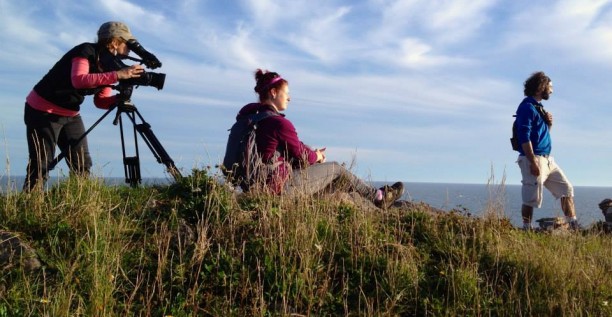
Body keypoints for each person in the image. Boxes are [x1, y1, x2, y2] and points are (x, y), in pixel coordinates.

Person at [231, 69, 404, 208]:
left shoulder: (249, 120)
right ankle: (379, 197)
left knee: (330, 178)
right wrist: (317, 156)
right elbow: (302, 155)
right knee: (336, 169)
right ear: (274, 92)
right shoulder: (278, 123)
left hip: (252, 185)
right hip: (277, 188)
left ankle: (361, 201)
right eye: (286, 93)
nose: (289, 98)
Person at [23, 21, 145, 191]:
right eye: (128, 43)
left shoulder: (110, 66)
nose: (131, 48)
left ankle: (80, 203)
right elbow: (79, 80)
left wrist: (119, 99)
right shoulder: (86, 51)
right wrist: (117, 75)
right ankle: (31, 205)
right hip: (42, 110)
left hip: (70, 113)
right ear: (115, 42)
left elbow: (101, 101)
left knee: (82, 164)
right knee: (41, 163)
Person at [514, 71, 579, 230]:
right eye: (550, 87)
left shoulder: (538, 108)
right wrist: (532, 161)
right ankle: (526, 228)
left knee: (566, 189)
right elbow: (524, 136)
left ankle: (573, 224)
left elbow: (541, 136)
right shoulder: (527, 107)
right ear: (540, 88)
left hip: (547, 159)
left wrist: (549, 124)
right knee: (531, 196)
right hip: (534, 158)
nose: (551, 90)